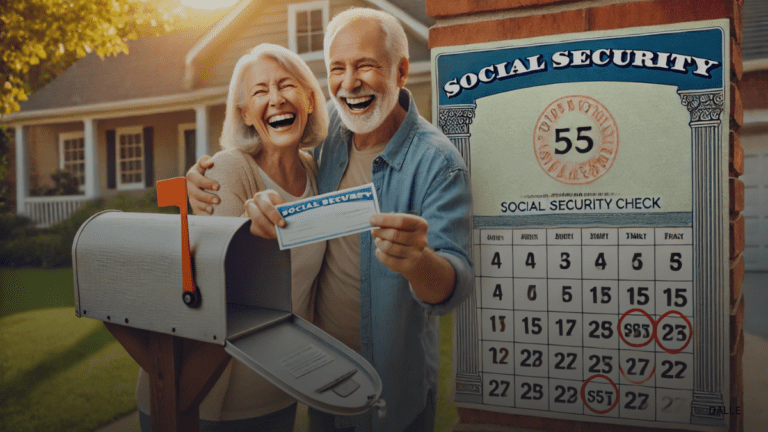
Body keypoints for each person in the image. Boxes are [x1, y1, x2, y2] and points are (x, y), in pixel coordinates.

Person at [188, 8, 473, 432]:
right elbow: (259, 154)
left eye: (365, 66)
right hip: (321, 373)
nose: (350, 82)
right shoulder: (329, 137)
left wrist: (418, 261)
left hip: (390, 387)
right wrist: (195, 179)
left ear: (400, 71)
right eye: (337, 68)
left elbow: (453, 287)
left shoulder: (437, 163)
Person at [137, 43, 329, 431]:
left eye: (286, 86)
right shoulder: (225, 170)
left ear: (309, 99)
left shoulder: (318, 173)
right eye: (260, 92)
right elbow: (223, 287)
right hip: (204, 396)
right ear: (244, 113)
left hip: (280, 388)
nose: (275, 100)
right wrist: (250, 233)